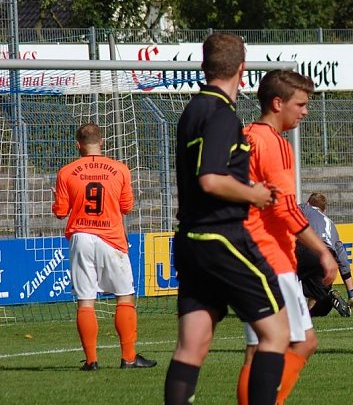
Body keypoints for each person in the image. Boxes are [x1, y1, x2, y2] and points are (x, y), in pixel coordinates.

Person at [165, 33, 285, 405]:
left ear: (205, 67)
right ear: (242, 69)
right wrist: (254, 193)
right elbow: (211, 178)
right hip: (222, 237)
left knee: (192, 344)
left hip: (191, 241)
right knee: (277, 334)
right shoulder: (221, 115)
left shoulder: (193, 110)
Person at [236, 70, 339, 405]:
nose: (305, 112)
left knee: (261, 347)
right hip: (269, 256)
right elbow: (285, 208)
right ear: (278, 103)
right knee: (296, 343)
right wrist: (323, 251)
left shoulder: (243, 136)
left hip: (249, 253)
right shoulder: (274, 143)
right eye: (301, 104)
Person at [52, 123, 156, 371]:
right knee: (124, 296)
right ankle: (128, 358)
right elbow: (126, 207)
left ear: (78, 145)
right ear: (102, 142)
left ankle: (91, 361)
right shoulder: (120, 169)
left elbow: (60, 212)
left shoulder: (66, 172)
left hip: (81, 238)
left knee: (85, 300)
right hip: (111, 238)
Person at [296, 192, 353, 317]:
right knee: (319, 301)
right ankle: (328, 299)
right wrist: (351, 293)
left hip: (307, 248)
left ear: (308, 203)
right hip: (327, 256)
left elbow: (288, 213)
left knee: (281, 280)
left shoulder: (304, 208)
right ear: (324, 210)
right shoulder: (331, 225)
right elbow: (343, 261)